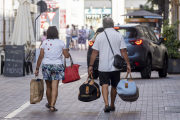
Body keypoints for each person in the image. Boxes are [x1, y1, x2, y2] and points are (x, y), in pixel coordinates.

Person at [88, 17, 131, 112]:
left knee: (104, 84)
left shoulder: (99, 36)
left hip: (103, 66)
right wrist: (128, 64)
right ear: (113, 25)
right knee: (114, 86)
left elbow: (95, 52)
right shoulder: (118, 35)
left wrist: (91, 65)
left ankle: (106, 104)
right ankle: (112, 104)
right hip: (115, 67)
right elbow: (123, 51)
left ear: (103, 26)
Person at [35, 26, 70, 112]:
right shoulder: (61, 43)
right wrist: (66, 50)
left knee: (48, 86)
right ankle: (52, 105)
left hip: (46, 65)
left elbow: (40, 56)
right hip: (57, 66)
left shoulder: (44, 42)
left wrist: (37, 68)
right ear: (56, 33)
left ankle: (49, 103)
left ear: (48, 33)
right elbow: (67, 56)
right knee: (55, 86)